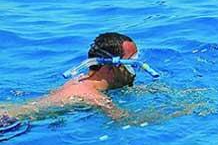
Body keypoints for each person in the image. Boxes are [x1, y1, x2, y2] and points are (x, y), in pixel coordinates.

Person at [0, 33, 155, 123]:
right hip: (8, 122)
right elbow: (125, 120)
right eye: (132, 64)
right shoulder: (94, 96)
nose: (136, 72)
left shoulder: (79, 81)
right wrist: (169, 115)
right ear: (112, 66)